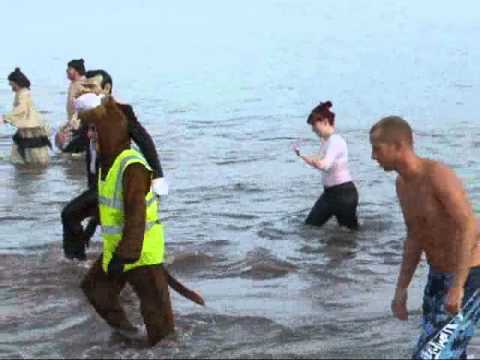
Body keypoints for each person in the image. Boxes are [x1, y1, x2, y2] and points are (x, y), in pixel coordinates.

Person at [370, 116, 480, 359]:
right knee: (445, 351)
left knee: (431, 355)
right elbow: (414, 237)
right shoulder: (402, 185)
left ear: (399, 146)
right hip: (437, 276)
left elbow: (469, 226)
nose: (373, 156)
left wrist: (458, 287)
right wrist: (401, 288)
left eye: (377, 148)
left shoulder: (437, 175)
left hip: (469, 277)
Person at [78, 96, 174, 346]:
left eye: (93, 130)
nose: (90, 136)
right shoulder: (108, 163)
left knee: (160, 323)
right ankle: (129, 336)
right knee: (96, 289)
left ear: (107, 131)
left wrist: (126, 256)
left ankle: (165, 350)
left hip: (141, 252)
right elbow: (105, 205)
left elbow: (136, 217)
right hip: (118, 249)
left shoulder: (132, 166)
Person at [61, 69, 168, 261]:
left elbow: (145, 141)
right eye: (85, 86)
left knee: (70, 214)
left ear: (107, 88)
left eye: (91, 87)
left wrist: (158, 176)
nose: (86, 90)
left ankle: (77, 261)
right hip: (98, 184)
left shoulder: (121, 112)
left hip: (117, 183)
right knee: (89, 220)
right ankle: (81, 258)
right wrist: (63, 144)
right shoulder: (90, 112)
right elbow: (81, 141)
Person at [294, 101, 359, 230]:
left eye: (314, 125)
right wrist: (301, 155)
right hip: (329, 194)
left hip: (344, 194)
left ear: (325, 121)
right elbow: (318, 159)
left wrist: (315, 162)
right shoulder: (326, 141)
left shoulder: (335, 141)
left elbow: (324, 165)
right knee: (309, 227)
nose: (312, 129)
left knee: (349, 235)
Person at [0, 68, 51, 166]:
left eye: (11, 84)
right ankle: (26, 163)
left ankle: (31, 165)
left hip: (30, 127)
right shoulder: (21, 92)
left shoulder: (23, 93)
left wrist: (5, 117)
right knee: (25, 147)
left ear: (17, 82)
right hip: (27, 125)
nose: (10, 86)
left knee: (31, 148)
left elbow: (21, 109)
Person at [55, 58, 88, 153]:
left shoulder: (82, 84)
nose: (67, 71)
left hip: (80, 124)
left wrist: (71, 126)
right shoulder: (73, 84)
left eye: (69, 69)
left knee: (69, 151)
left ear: (76, 71)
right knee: (61, 142)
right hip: (73, 123)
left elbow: (83, 108)